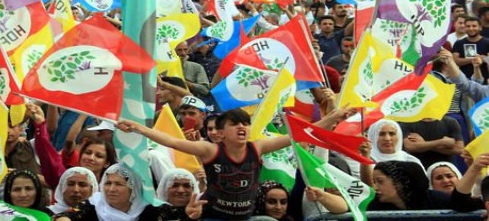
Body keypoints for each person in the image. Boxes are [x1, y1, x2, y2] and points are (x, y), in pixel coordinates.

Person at [117, 108, 350, 219]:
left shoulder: (257, 147)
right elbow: (172, 141)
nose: (242, 127)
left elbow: (300, 134)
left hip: (247, 217)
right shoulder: (210, 150)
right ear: (220, 132)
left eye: (245, 124)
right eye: (235, 124)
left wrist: (332, 118)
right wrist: (138, 127)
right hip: (212, 216)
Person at [54, 164, 202, 221]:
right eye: (108, 183)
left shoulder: (152, 209)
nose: (111, 189)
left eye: (118, 184)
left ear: (133, 189)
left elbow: (180, 217)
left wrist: (187, 215)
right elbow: (64, 216)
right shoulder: (93, 205)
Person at [368, 160, 450, 210]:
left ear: (400, 181)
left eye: (380, 181)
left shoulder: (440, 201)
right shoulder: (373, 207)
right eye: (374, 182)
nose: (375, 188)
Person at [452, 16, 489, 80]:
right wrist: (475, 59)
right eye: (468, 26)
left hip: (485, 80)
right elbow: (455, 61)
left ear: (480, 27)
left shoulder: (487, 42)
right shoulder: (459, 43)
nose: (471, 28)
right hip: (465, 81)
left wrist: (484, 58)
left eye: (474, 26)